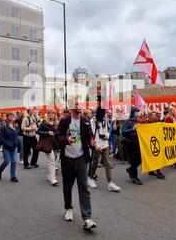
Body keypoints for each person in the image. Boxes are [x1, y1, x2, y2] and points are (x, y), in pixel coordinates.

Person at [56, 97, 97, 230]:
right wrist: (67, 139)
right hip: (68, 158)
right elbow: (57, 137)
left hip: (81, 158)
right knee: (67, 186)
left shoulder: (85, 121)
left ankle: (87, 218)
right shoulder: (65, 121)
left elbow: (90, 136)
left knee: (84, 187)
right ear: (71, 106)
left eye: (80, 103)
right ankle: (68, 208)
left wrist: (92, 142)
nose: (80, 106)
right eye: (77, 104)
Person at [88, 107, 121, 192]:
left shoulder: (105, 119)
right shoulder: (92, 121)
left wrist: (107, 135)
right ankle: (90, 178)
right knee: (95, 162)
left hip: (105, 144)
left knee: (107, 162)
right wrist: (97, 146)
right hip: (97, 145)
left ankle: (110, 183)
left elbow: (107, 130)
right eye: (101, 113)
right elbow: (92, 134)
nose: (103, 114)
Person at [37, 109, 60, 186]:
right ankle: (53, 179)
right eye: (49, 113)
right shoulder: (44, 123)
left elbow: (59, 133)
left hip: (56, 144)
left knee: (53, 160)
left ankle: (50, 175)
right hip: (47, 144)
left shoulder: (57, 123)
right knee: (52, 160)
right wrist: (47, 133)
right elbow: (38, 132)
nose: (51, 114)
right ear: (47, 114)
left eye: (52, 113)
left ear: (55, 115)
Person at [122, 106, 144, 185]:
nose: (137, 113)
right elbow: (123, 131)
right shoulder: (127, 121)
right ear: (132, 113)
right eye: (136, 112)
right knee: (134, 160)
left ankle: (130, 169)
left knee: (140, 159)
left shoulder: (136, 121)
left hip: (136, 143)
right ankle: (134, 177)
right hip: (129, 143)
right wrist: (132, 129)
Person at [0, 113, 20, 182]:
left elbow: (16, 135)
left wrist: (18, 143)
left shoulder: (15, 125)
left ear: (13, 117)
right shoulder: (4, 126)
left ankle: (13, 176)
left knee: (14, 161)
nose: (10, 117)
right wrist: (6, 143)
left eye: (12, 116)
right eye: (9, 116)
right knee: (6, 161)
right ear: (6, 118)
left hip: (14, 147)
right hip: (6, 147)